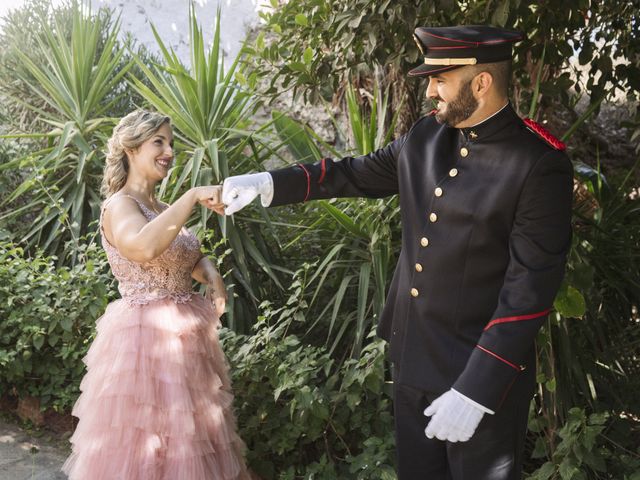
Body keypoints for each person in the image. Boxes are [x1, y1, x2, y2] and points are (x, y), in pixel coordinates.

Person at [220, 25, 573, 479]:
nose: (429, 90)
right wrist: (267, 184)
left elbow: (530, 291)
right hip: (413, 358)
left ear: (481, 83)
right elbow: (352, 173)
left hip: (479, 371)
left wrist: (476, 390)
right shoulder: (426, 137)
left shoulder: (537, 164)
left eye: (440, 79)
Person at [62, 110, 251, 480]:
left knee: (190, 441)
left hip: (187, 339)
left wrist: (211, 274)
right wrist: (193, 195)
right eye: (158, 142)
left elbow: (184, 255)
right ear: (131, 149)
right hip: (143, 342)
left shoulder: (162, 210)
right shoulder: (120, 205)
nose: (169, 151)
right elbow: (143, 247)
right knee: (144, 446)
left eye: (171, 144)